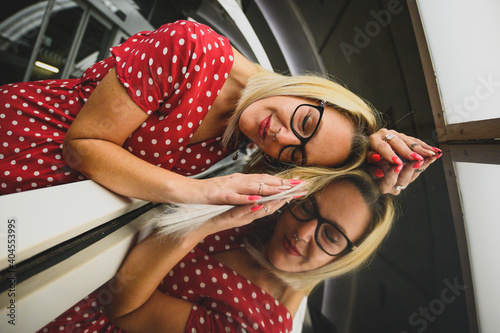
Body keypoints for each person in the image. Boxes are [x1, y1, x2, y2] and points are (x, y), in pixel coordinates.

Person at [0, 19, 437, 202]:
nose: (282, 138)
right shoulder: (192, 48)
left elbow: (302, 196)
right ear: (312, 91)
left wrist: (370, 156)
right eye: (305, 122)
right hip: (15, 137)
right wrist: (196, 191)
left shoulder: (242, 132)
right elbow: (83, 147)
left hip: (39, 198)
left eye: (294, 154)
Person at [37, 168, 395, 332]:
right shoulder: (260, 222)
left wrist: (206, 224)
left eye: (330, 236)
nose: (303, 233)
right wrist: (369, 150)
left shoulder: (257, 326)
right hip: (74, 245)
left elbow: (122, 310)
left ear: (344, 256)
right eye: (307, 207)